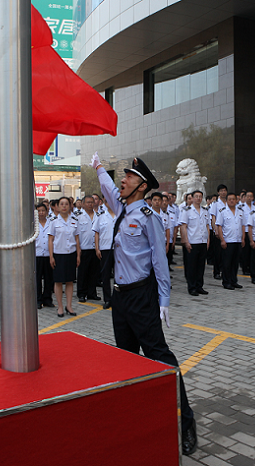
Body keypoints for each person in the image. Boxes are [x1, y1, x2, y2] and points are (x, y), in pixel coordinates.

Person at [91, 153, 197, 456]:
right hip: (120, 297)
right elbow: (109, 190)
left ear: (141, 186)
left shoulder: (149, 217)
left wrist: (164, 299)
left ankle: (186, 421)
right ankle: (135, 420)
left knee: (160, 356)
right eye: (122, 177)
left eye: (128, 177)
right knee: (126, 360)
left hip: (141, 296)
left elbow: (159, 261)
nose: (121, 181)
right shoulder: (121, 210)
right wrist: (99, 167)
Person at [48, 197, 81, 317]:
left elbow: (77, 239)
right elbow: (50, 240)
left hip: (71, 254)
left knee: (69, 281)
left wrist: (78, 255)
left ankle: (69, 305)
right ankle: (60, 307)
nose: (64, 206)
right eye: (61, 204)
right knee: (58, 281)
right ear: (57, 206)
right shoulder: (54, 221)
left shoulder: (74, 220)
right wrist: (51, 256)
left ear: (70, 206)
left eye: (66, 204)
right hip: (59, 254)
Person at [179, 190, 210, 296]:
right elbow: (183, 227)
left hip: (202, 242)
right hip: (192, 242)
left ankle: (199, 286)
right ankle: (191, 287)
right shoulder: (186, 210)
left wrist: (208, 240)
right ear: (192, 198)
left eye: (200, 197)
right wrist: (186, 241)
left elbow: (207, 226)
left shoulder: (205, 211)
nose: (198, 198)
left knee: (201, 266)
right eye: (196, 196)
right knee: (192, 266)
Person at [215, 193, 245, 290]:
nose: (232, 201)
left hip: (237, 240)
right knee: (227, 263)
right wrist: (222, 240)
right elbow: (219, 226)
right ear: (227, 201)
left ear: (236, 200)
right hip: (228, 241)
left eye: (233, 199)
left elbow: (243, 226)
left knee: (235, 263)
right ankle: (226, 282)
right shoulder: (223, 212)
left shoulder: (240, 211)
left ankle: (233, 280)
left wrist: (243, 239)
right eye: (230, 199)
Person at [93, 196, 116, 309]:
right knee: (105, 276)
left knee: (119, 276)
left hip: (118, 249)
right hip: (105, 249)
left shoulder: (120, 216)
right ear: (105, 203)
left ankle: (118, 299)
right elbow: (96, 233)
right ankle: (107, 299)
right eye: (108, 202)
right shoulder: (101, 217)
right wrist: (97, 248)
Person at [76, 196, 100, 302]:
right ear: (83, 204)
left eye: (92, 202)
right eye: (88, 202)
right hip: (84, 248)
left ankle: (92, 293)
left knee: (94, 272)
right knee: (82, 272)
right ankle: (81, 293)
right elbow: (76, 234)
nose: (90, 204)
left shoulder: (98, 216)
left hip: (95, 248)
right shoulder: (78, 217)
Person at [35, 203, 54, 309]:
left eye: (43, 210)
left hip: (48, 254)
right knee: (37, 279)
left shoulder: (51, 223)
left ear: (47, 212)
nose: (41, 213)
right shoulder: (33, 224)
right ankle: (38, 299)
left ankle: (47, 299)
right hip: (37, 254)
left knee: (48, 278)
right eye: (39, 211)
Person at [209, 184, 228, 280]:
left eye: (225, 190)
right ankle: (216, 272)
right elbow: (213, 217)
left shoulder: (229, 203)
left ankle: (224, 271)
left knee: (226, 254)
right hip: (218, 232)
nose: (223, 192)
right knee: (218, 253)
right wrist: (215, 230)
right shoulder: (215, 204)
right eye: (221, 191)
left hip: (227, 232)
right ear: (218, 192)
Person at [239, 191, 254, 275]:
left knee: (252, 251)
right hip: (245, 231)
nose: (249, 198)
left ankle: (251, 267)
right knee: (245, 251)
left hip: (253, 232)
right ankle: (245, 268)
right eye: (247, 196)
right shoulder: (241, 207)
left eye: (250, 196)